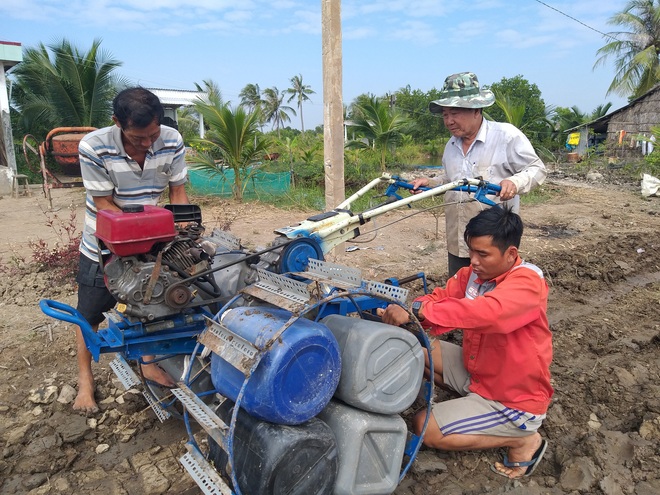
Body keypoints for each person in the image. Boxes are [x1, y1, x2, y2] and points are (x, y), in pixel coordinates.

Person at [381, 206, 553, 479]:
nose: (472, 260)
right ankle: (473, 406)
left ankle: (522, 438)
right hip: (480, 371)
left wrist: (416, 311)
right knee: (411, 347)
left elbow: (488, 313)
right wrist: (412, 313)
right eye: (471, 251)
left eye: (482, 254)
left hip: (511, 399)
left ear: (510, 254)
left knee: (425, 425)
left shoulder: (527, 283)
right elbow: (438, 299)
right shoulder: (473, 276)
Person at [74, 87, 189, 414]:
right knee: (89, 314)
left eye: (153, 134)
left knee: (153, 301)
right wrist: (140, 238)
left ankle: (148, 363)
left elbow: (178, 193)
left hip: (153, 238)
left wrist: (181, 232)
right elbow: (104, 205)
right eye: (139, 138)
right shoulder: (93, 147)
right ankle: (85, 382)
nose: (148, 144)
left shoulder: (171, 140)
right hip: (104, 242)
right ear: (117, 123)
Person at [411, 71, 547, 277]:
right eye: (445, 115)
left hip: (492, 245)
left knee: (491, 299)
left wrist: (514, 182)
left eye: (454, 113)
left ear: (476, 110)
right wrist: (429, 183)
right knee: (459, 292)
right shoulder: (451, 145)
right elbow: (450, 181)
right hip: (458, 239)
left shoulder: (505, 136)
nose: (449, 121)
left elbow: (537, 169)